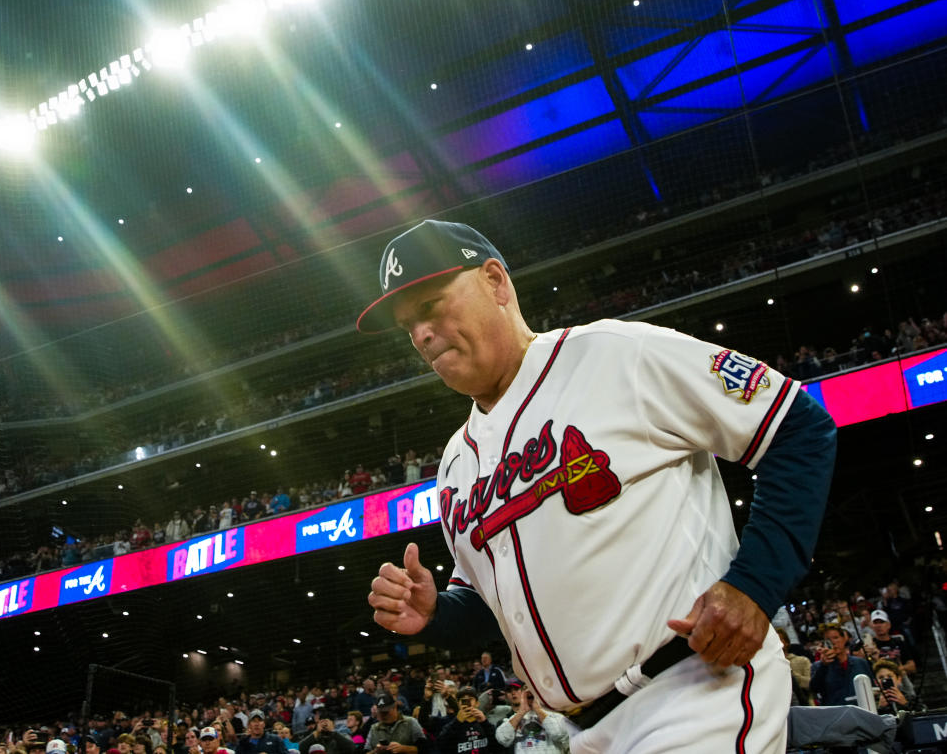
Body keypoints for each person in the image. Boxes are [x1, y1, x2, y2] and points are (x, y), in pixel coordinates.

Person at [359, 220, 837, 753]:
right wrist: (437, 613)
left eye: (431, 305)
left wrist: (754, 586)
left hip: (693, 692)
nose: (420, 334)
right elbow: (492, 603)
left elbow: (798, 427)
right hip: (582, 732)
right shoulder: (453, 464)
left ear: (495, 281)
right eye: (407, 325)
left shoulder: (617, 354)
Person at [810, 625, 873, 706]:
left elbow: (871, 687)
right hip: (836, 713)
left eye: (836, 638)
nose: (833, 642)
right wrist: (824, 666)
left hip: (861, 710)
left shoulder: (861, 663)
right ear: (823, 644)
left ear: (844, 639)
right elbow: (814, 689)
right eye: (828, 640)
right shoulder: (818, 666)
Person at [495, 687, 570, 754]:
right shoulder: (514, 718)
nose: (529, 694)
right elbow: (502, 739)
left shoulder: (555, 715)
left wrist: (538, 709)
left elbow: (558, 734)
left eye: (532, 692)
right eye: (526, 692)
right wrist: (521, 711)